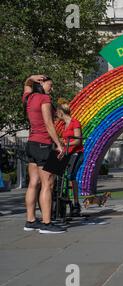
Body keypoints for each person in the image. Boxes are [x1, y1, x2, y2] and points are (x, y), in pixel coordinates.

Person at [22, 75, 65, 234]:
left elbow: (26, 85)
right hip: (43, 144)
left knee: (34, 183)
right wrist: (59, 145)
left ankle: (30, 220)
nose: (51, 88)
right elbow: (48, 123)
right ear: (41, 84)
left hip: (31, 144)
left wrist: (30, 78)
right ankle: (47, 224)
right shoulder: (44, 99)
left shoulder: (29, 97)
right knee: (48, 184)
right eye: (49, 85)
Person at [55, 98, 84, 216]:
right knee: (57, 174)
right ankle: (59, 200)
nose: (56, 114)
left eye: (57, 112)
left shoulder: (75, 122)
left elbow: (77, 140)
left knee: (71, 176)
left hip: (76, 153)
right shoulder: (63, 125)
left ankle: (76, 203)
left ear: (61, 112)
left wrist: (65, 142)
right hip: (66, 153)